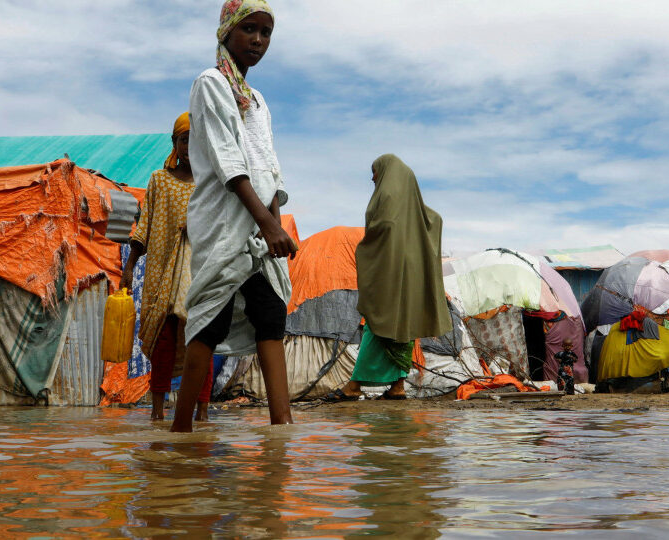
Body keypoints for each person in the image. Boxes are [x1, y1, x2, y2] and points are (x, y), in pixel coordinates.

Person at [171, 0, 297, 433]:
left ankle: (282, 426)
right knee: (211, 319)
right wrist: (267, 223)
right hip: (225, 224)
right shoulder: (210, 84)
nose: (258, 41)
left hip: (261, 227)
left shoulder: (258, 101)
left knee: (270, 315)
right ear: (226, 32)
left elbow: (268, 166)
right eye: (250, 30)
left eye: (266, 33)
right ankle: (182, 433)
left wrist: (275, 223)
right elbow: (229, 162)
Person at [328, 154, 452, 401]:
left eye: (375, 171)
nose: (372, 177)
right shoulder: (421, 215)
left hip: (390, 276)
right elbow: (433, 221)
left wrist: (367, 247)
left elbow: (383, 228)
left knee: (378, 326)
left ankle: (354, 386)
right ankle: (397, 386)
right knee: (405, 331)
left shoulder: (387, 199)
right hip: (412, 281)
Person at [121, 111, 213, 422]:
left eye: (197, 141)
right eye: (185, 140)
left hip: (200, 271)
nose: (190, 147)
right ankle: (158, 413)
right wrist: (130, 266)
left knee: (202, 337)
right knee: (164, 335)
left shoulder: (210, 184)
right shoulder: (159, 181)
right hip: (163, 273)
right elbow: (144, 227)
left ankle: (201, 412)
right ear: (175, 143)